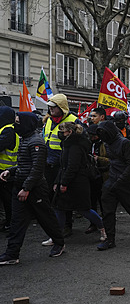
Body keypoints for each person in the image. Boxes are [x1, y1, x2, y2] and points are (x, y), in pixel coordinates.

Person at [0, 112, 65, 264]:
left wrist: (27, 188)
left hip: (34, 189)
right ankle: (12, 254)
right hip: (20, 186)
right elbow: (25, 165)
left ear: (26, 124)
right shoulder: (25, 139)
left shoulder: (37, 142)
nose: (15, 125)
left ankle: (59, 242)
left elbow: (37, 169)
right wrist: (11, 171)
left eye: (17, 122)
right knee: (17, 222)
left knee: (46, 218)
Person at [47, 122, 106, 245]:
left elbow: (72, 167)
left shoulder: (75, 146)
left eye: (62, 131)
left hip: (78, 183)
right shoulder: (67, 144)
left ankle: (103, 229)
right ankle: (57, 237)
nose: (60, 134)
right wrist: (58, 182)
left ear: (70, 132)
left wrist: (63, 183)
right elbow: (63, 166)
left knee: (84, 210)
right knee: (59, 209)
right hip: (68, 181)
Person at [96, 120, 130, 250]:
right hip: (112, 180)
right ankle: (110, 240)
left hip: (125, 182)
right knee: (108, 211)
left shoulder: (124, 143)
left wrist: (120, 180)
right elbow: (114, 162)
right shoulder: (107, 143)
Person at [42, 93, 77, 236]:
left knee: (64, 197)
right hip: (48, 163)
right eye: (49, 107)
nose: (50, 110)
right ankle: (56, 223)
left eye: (53, 107)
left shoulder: (74, 120)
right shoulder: (49, 120)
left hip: (63, 164)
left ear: (61, 108)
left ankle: (67, 225)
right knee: (51, 196)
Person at [0, 107, 19, 232]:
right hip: (7, 170)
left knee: (8, 201)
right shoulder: (10, 129)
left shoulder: (8, 130)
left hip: (5, 170)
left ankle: (10, 223)